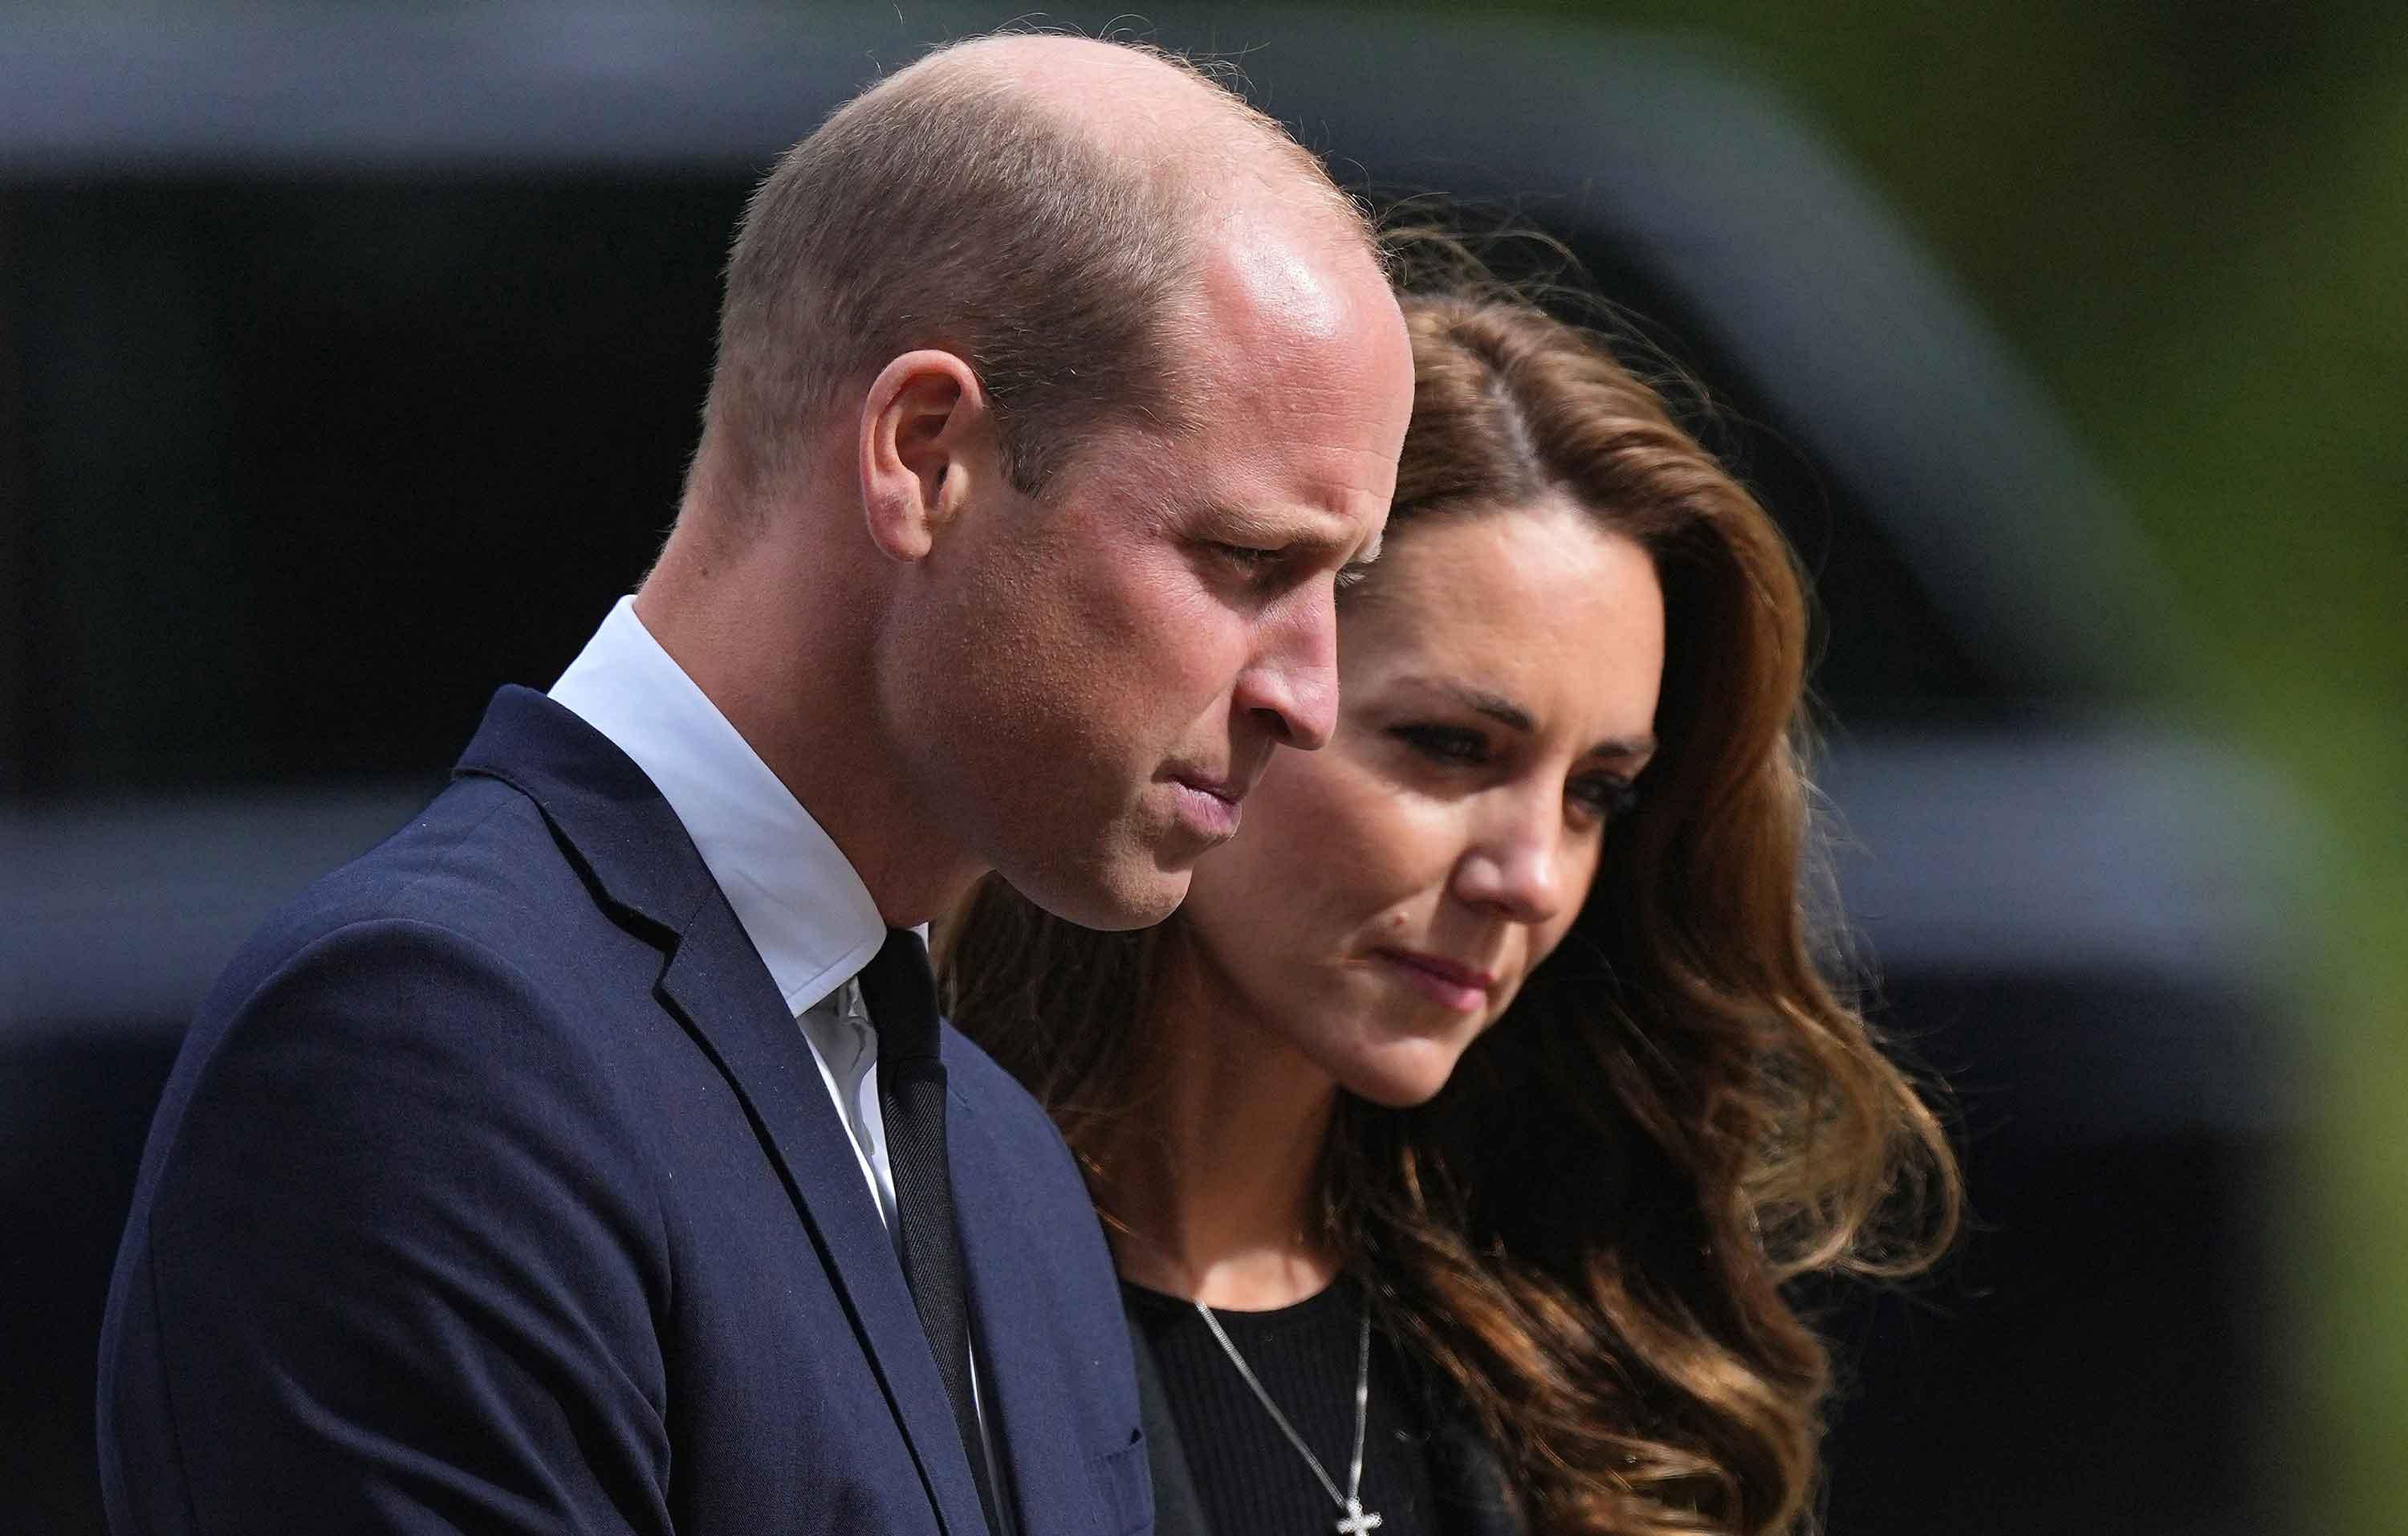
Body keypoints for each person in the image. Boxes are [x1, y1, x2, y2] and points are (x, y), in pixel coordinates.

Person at [97, 34, 1413, 1536]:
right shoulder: (425, 1050)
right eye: (1249, 563)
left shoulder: (1009, 1171)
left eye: (1341, 588)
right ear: (923, 456)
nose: (1308, 696)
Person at [941, 283, 1961, 1536]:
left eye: (1598, 793)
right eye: (1450, 747)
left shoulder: (1582, 1374)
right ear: (1225, 698)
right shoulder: (885, 1284)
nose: (1530, 875)